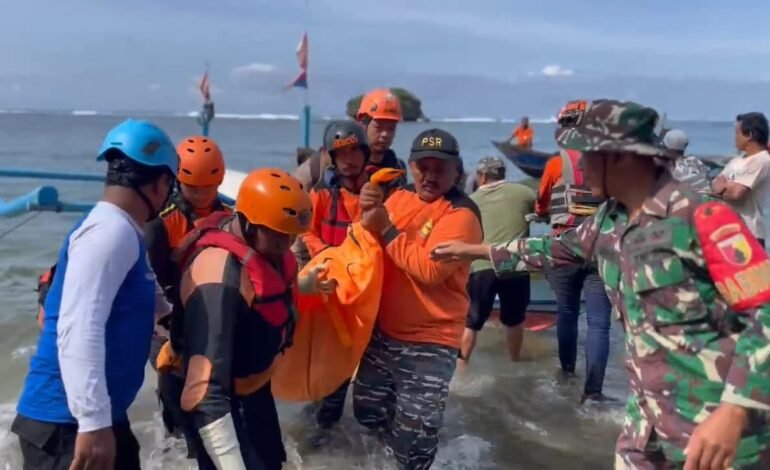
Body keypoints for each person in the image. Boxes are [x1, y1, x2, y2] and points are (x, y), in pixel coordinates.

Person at [432, 99, 770, 470]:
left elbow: (765, 312)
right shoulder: (609, 221)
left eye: (586, 156)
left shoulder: (703, 218)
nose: (578, 167)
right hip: (646, 425)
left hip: (715, 430)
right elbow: (554, 248)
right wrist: (474, 249)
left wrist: (735, 411)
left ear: (620, 157)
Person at [12, 119, 178, 470]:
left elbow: (155, 303)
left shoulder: (122, 230)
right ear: (162, 184)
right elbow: (78, 327)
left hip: (98, 417)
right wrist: (93, 424)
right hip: (65, 424)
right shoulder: (109, 233)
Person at [161, 168, 332, 469]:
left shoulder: (268, 248)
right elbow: (205, 392)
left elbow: (263, 294)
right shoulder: (218, 280)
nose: (287, 242)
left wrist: (304, 285)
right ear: (248, 223)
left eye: (291, 233)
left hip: (250, 386)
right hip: (212, 398)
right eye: (278, 234)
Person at [354, 129, 483, 470]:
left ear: (457, 171)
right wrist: (365, 208)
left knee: (414, 444)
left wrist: (386, 228)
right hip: (381, 335)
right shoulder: (398, 197)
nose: (430, 175)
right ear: (410, 166)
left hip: (430, 343)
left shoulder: (461, 214)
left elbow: (428, 270)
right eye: (422, 166)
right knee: (368, 416)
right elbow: (367, 242)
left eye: (440, 168)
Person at [144, 136, 232, 446]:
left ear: (219, 181)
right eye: (191, 188)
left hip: (212, 315)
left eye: (207, 188)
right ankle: (174, 450)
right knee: (175, 394)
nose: (199, 194)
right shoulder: (160, 223)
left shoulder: (231, 217)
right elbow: (152, 283)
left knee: (215, 394)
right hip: (167, 322)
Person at [533, 100, 613, 403]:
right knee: (599, 322)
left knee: (566, 313)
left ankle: (567, 375)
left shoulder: (556, 164)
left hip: (564, 246)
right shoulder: (605, 163)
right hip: (599, 247)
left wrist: (543, 212)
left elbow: (541, 203)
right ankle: (594, 392)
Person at [300, 120, 371, 429]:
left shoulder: (378, 191)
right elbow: (308, 232)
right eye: (342, 153)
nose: (350, 159)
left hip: (365, 287)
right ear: (331, 157)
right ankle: (321, 428)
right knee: (330, 368)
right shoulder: (321, 195)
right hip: (331, 285)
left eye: (356, 151)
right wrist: (328, 256)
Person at [462, 156, 535, 364]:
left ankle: (461, 367)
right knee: (514, 321)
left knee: (472, 323)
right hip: (514, 264)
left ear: (482, 176)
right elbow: (541, 213)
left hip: (482, 265)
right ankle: (514, 362)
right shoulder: (525, 193)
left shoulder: (471, 200)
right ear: (503, 174)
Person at [712, 112, 770, 247]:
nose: (735, 138)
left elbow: (736, 194)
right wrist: (724, 187)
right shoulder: (737, 160)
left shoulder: (762, 161)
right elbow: (715, 183)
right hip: (729, 230)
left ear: (749, 135)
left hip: (749, 234)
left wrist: (722, 189)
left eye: (737, 133)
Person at [355, 88, 408, 185]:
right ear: (363, 125)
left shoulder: (398, 168)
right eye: (378, 127)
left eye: (391, 128)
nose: (385, 134)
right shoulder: (350, 168)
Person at [663, 128, 712, 194]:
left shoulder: (671, 167)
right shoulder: (695, 160)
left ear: (665, 146)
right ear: (686, 145)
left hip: (690, 199)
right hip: (707, 197)